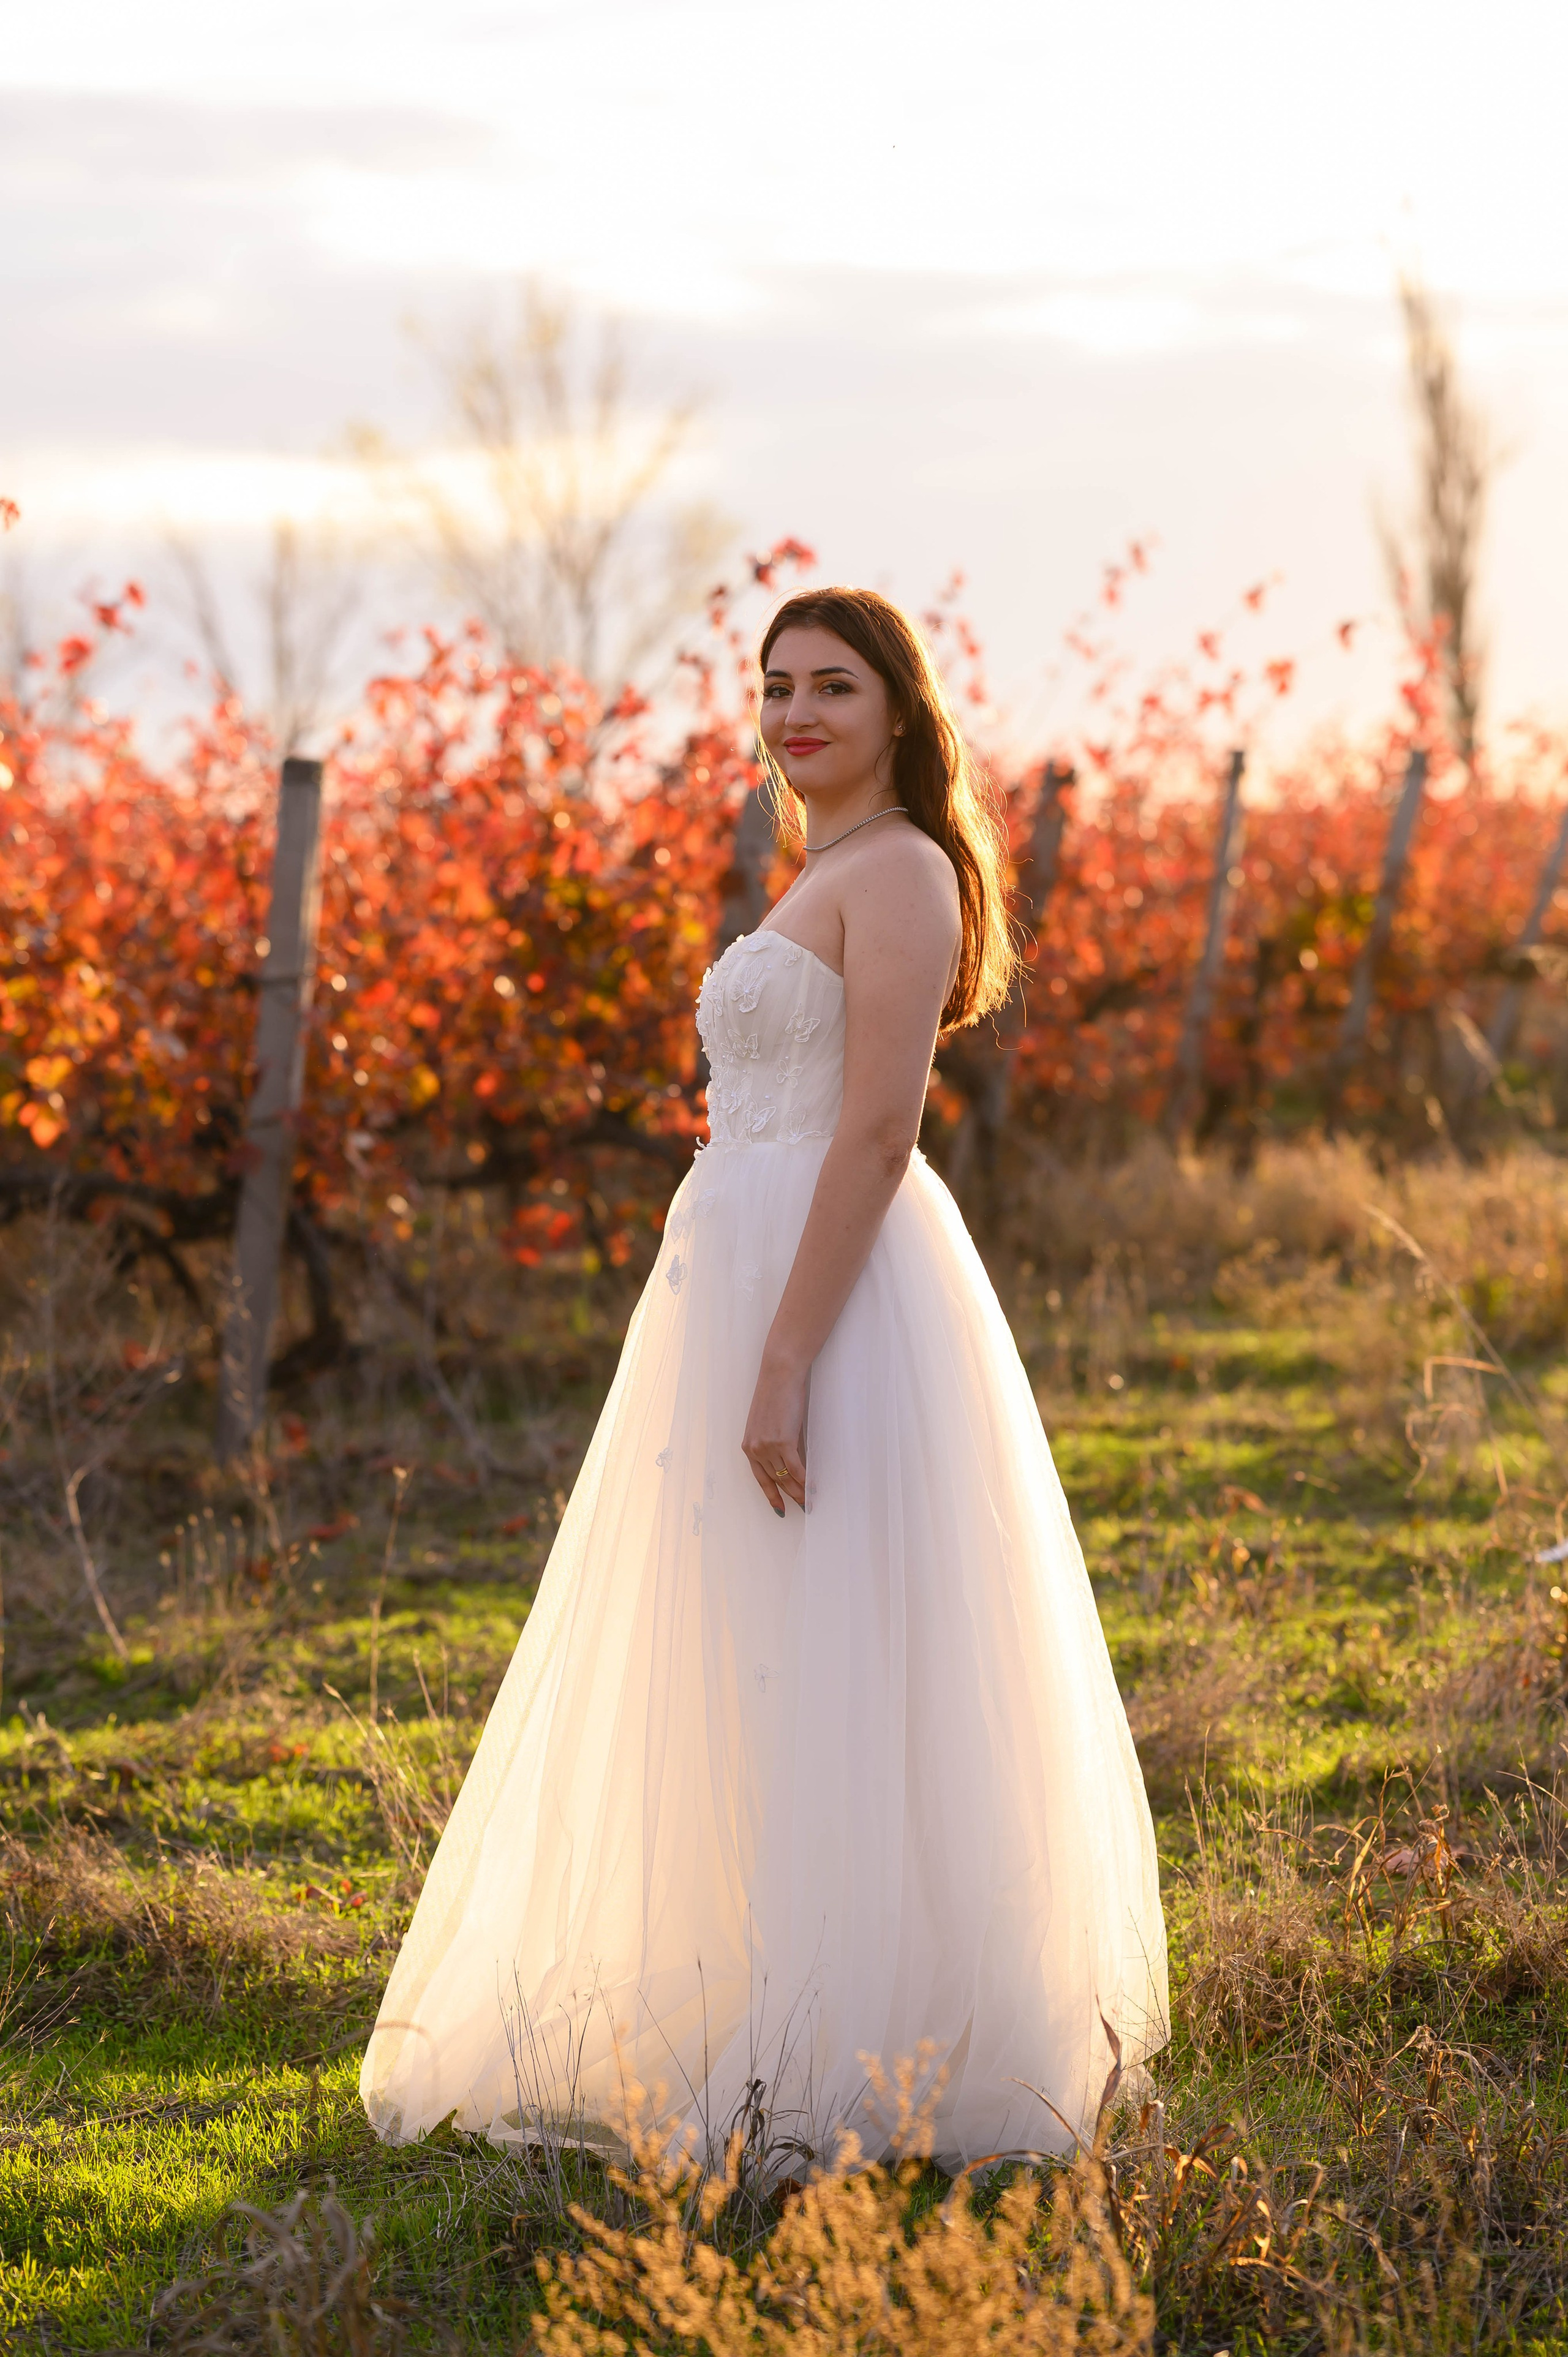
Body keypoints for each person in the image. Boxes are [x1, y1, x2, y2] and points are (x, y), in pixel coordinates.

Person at [361, 587, 1167, 2171]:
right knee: (746, 1642)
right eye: (779, 686)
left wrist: (787, 1353)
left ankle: (867, 2044)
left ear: (898, 713)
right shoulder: (826, 869)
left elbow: (877, 1131)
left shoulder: (909, 871)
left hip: (835, 1292)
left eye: (835, 687)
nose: (800, 714)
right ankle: (754, 1993)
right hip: (739, 1268)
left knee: (839, 1634)